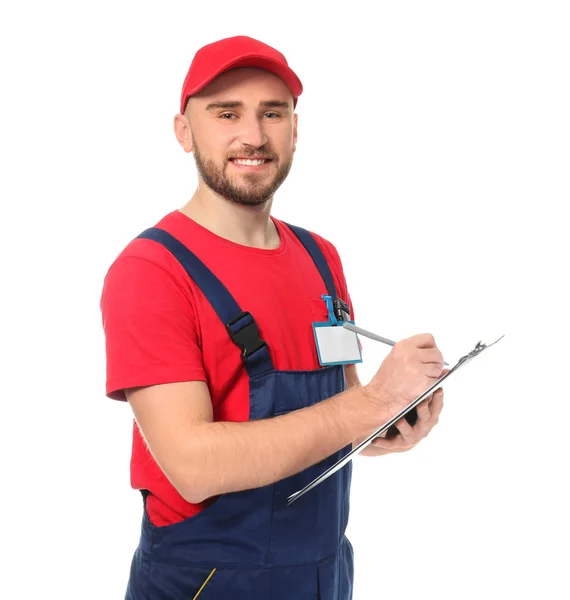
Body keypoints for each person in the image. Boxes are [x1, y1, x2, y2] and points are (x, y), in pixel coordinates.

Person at [100, 35, 445, 600]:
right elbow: (192, 464)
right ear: (184, 132)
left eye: (272, 113)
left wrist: (389, 424)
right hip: (205, 582)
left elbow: (341, 405)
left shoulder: (320, 258)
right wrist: (373, 402)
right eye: (226, 113)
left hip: (324, 573)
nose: (253, 136)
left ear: (294, 128)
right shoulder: (151, 271)